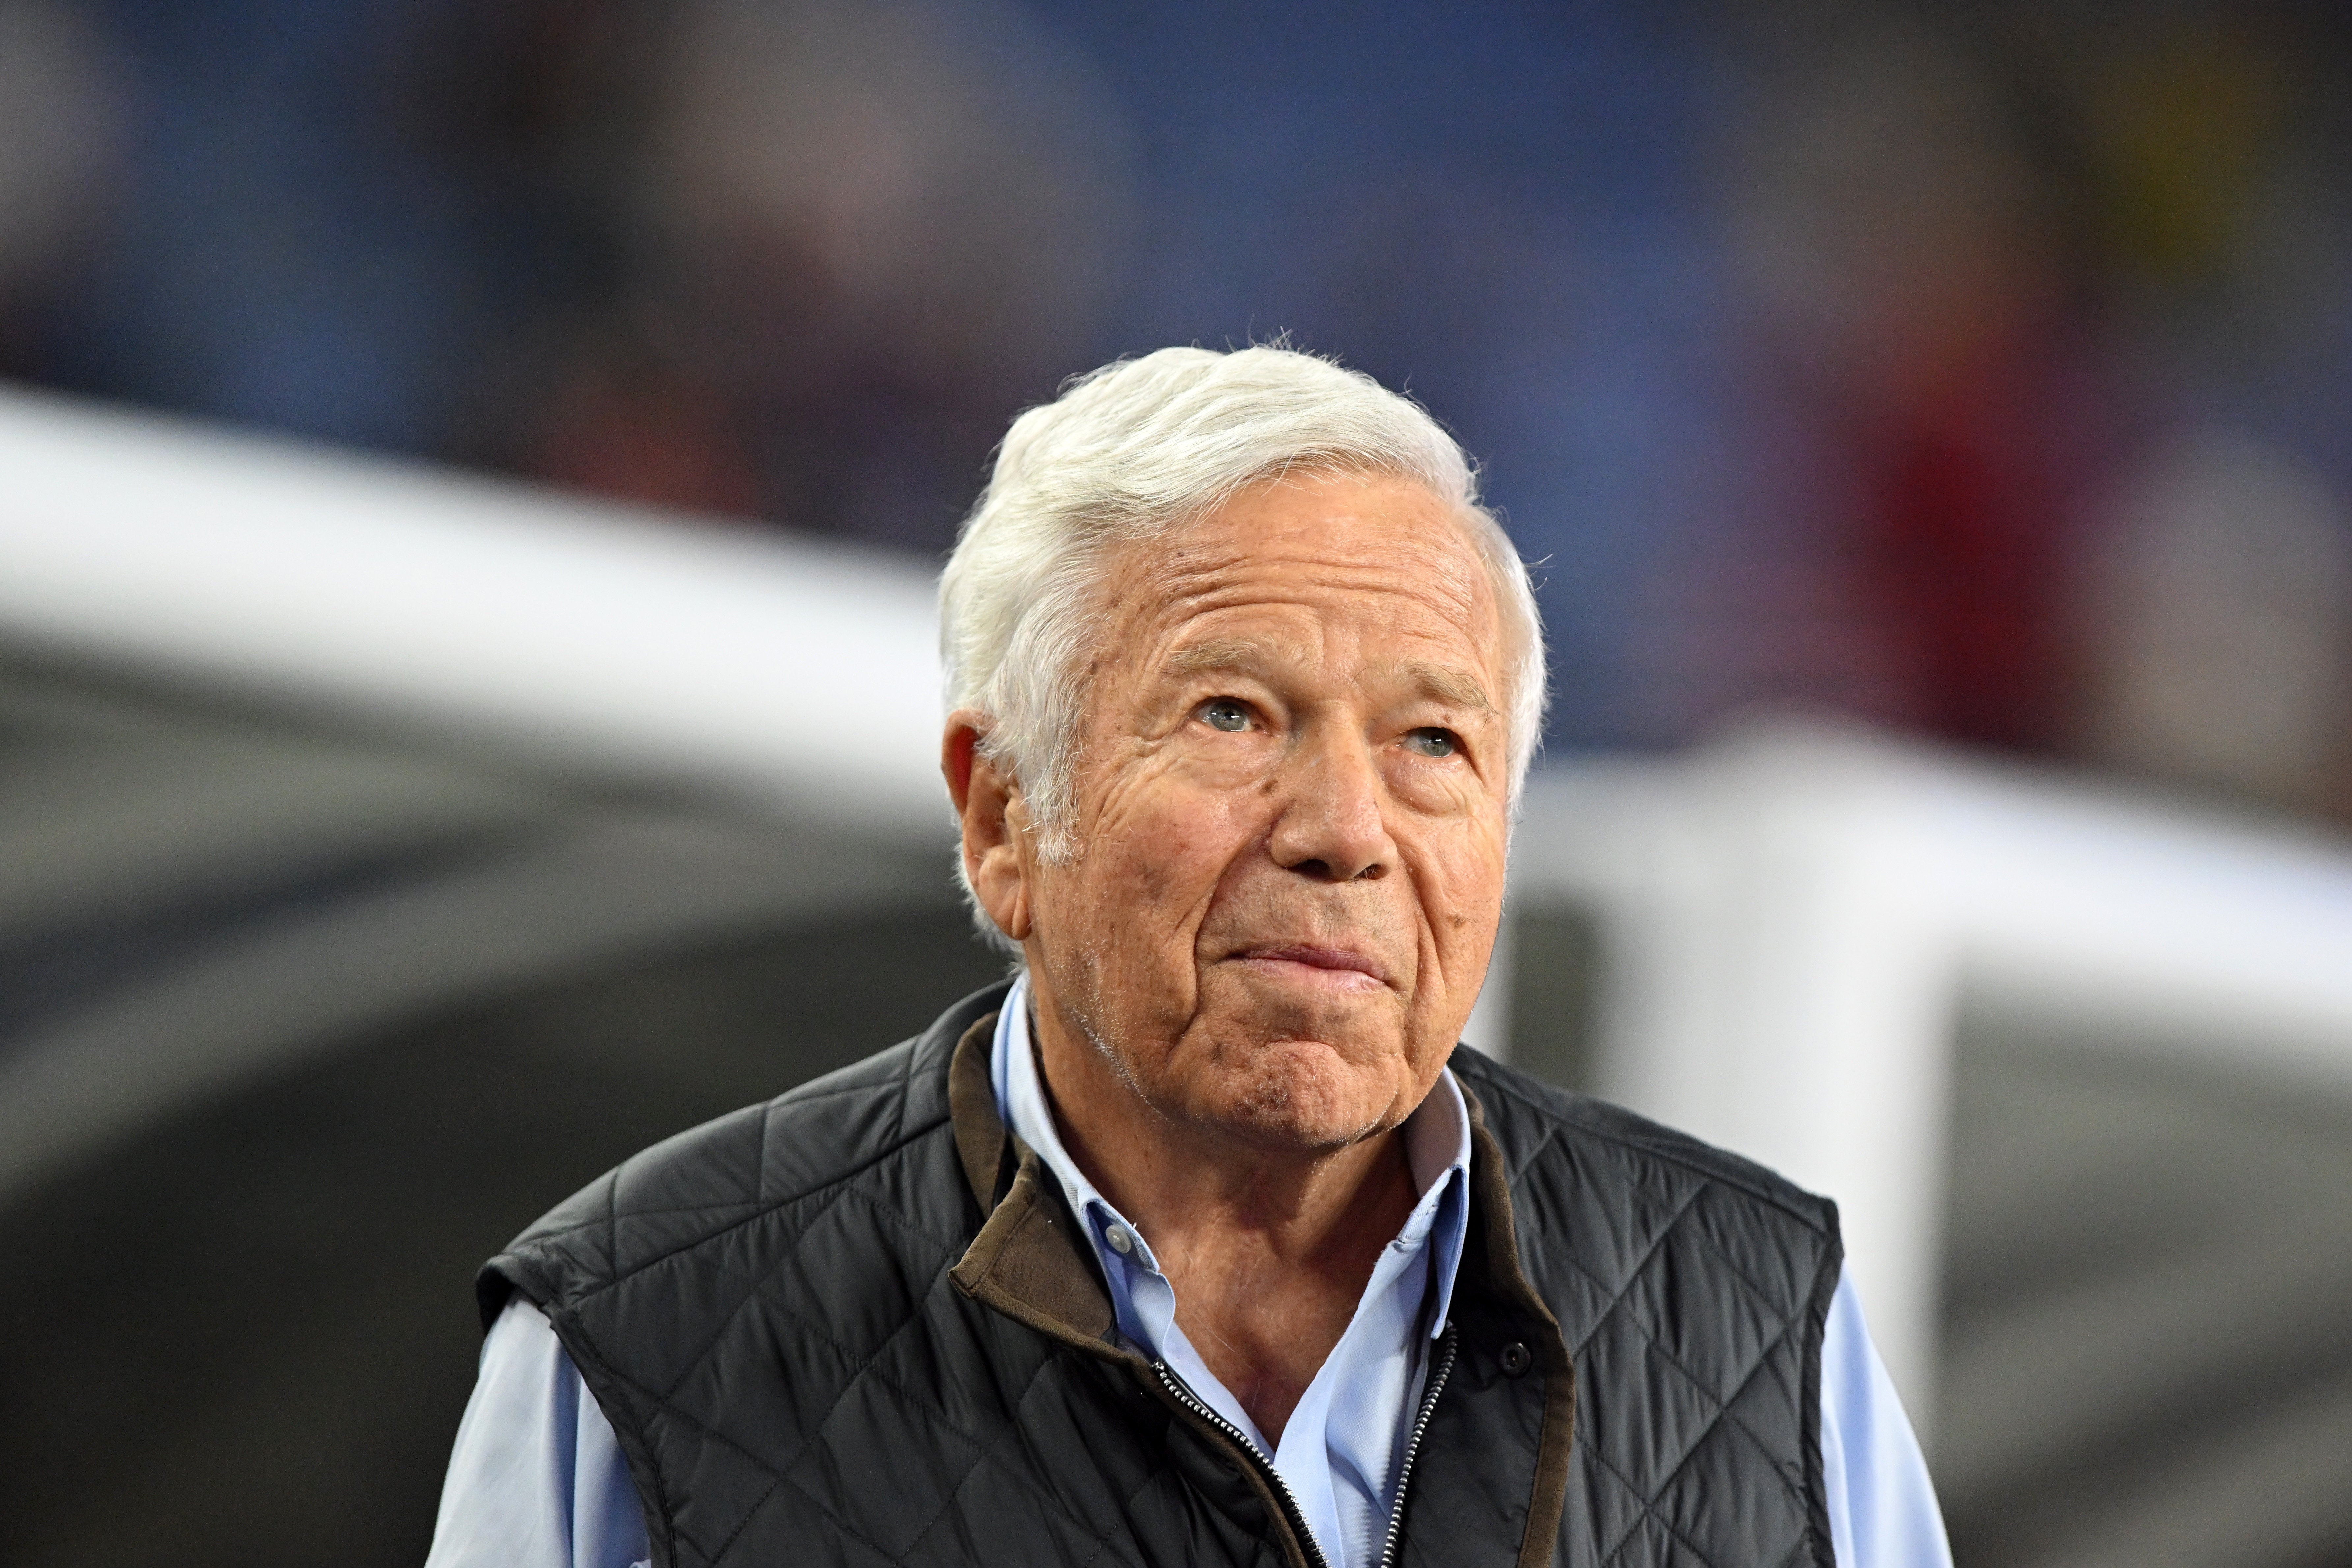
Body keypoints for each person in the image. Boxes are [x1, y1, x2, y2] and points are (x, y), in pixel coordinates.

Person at [425, 345, 1950, 1568]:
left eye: (1432, 741)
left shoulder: (1764, 1325)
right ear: (1003, 817)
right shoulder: (636, 1343)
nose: (1345, 831)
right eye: (1233, 715)